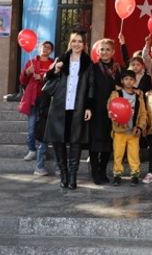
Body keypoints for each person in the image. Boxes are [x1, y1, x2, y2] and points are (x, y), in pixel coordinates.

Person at [42, 31, 94, 190]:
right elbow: (47, 78)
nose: (77, 44)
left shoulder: (88, 63)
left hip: (77, 107)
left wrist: (89, 107)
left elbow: (91, 86)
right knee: (58, 141)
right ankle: (63, 175)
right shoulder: (61, 60)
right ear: (69, 43)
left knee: (75, 142)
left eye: (80, 41)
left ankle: (72, 177)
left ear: (84, 44)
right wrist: (55, 70)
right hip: (59, 106)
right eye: (74, 41)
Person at [18, 41, 54, 176]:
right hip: (32, 100)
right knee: (31, 127)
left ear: (51, 50)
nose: (45, 49)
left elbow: (55, 80)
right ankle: (32, 149)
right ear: (39, 48)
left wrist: (43, 78)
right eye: (43, 47)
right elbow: (22, 81)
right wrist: (27, 72)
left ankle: (41, 151)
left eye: (48, 47)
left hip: (46, 101)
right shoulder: (31, 62)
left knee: (42, 129)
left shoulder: (52, 64)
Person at [89, 39, 122, 185]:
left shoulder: (118, 69)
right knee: (95, 142)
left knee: (108, 142)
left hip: (113, 111)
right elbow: (89, 88)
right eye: (102, 49)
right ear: (98, 52)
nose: (104, 52)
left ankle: (103, 171)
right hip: (97, 109)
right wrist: (88, 107)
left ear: (113, 52)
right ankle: (95, 172)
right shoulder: (93, 68)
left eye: (108, 49)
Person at [108, 70, 147, 186]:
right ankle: (117, 174)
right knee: (118, 154)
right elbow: (110, 109)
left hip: (133, 131)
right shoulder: (116, 93)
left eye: (131, 79)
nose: (128, 82)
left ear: (135, 81)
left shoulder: (138, 96)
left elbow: (143, 113)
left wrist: (140, 127)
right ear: (122, 81)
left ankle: (135, 174)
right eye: (126, 79)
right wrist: (114, 117)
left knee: (134, 154)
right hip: (119, 131)